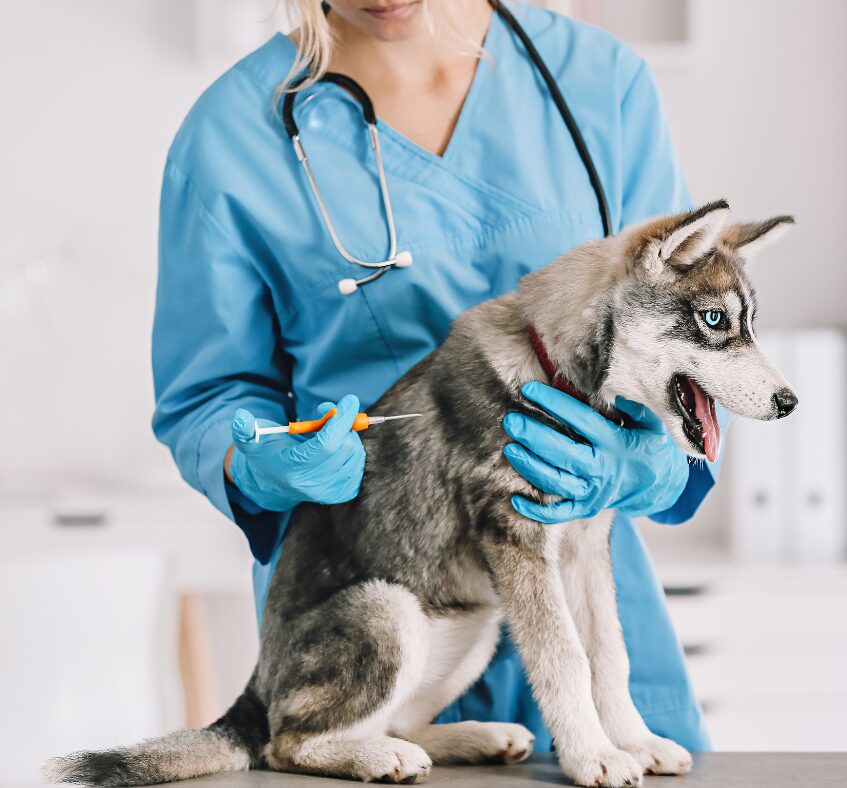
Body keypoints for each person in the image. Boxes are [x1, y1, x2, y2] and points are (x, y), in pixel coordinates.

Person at [152, 0, 726, 754]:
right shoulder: (231, 135)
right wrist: (258, 457)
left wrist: (650, 465)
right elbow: (207, 393)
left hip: (581, 584)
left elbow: (681, 327)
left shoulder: (598, 83)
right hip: (374, 591)